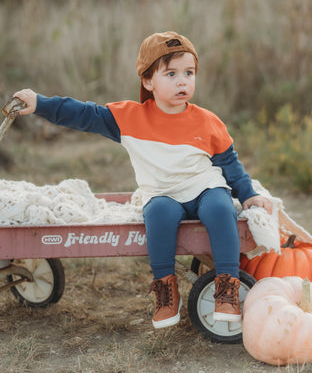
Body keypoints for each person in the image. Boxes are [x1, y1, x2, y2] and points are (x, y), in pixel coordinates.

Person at [14, 31, 272, 330]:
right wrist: (41, 103)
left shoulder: (208, 121)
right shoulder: (130, 117)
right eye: (171, 73)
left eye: (189, 73)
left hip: (203, 187)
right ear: (148, 81)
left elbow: (229, 163)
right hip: (162, 193)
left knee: (220, 206)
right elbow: (84, 114)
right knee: (158, 214)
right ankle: (165, 290)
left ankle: (227, 285)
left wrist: (248, 193)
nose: (182, 81)